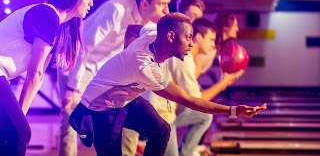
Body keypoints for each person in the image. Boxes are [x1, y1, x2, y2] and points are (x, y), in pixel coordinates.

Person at [69, 12, 267, 156]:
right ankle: (83, 122)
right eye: (188, 37)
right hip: (101, 107)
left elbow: (132, 28)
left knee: (161, 130)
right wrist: (232, 111)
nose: (191, 43)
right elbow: (189, 100)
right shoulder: (145, 67)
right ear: (171, 37)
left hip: (125, 99)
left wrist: (125, 57)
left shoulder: (154, 33)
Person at [58, 0, 171, 156]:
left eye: (168, 4)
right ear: (144, 4)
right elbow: (82, 48)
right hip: (75, 61)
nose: (166, 10)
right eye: (162, 4)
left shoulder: (149, 24)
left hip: (101, 69)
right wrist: (73, 87)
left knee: (120, 113)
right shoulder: (116, 10)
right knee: (71, 116)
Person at [0, 0, 93, 156]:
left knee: (14, 134)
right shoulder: (47, 14)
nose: (91, 2)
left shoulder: (57, 27)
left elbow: (39, 74)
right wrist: (21, 118)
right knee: (20, 134)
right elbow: (34, 73)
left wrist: (20, 115)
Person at [142, 18, 243, 156]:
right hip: (161, 114)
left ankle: (186, 152)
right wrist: (224, 83)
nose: (213, 45)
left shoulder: (190, 59)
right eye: (211, 40)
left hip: (163, 110)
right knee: (203, 113)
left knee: (204, 117)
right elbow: (196, 102)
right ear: (199, 37)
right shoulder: (186, 60)